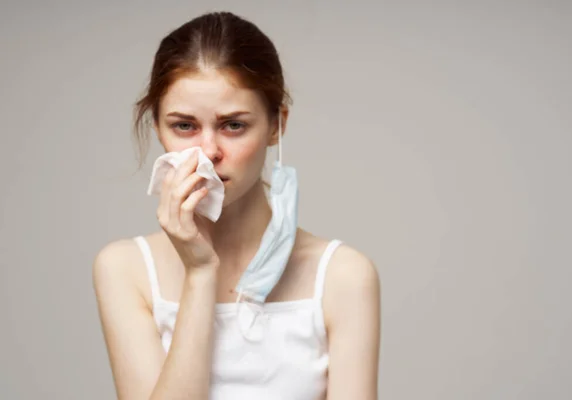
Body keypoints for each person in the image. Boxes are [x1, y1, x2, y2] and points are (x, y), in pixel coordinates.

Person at [92, 11, 380, 400]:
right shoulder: (126, 269)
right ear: (157, 127)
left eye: (233, 125)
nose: (208, 151)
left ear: (277, 125)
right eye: (184, 126)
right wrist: (200, 272)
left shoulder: (343, 276)